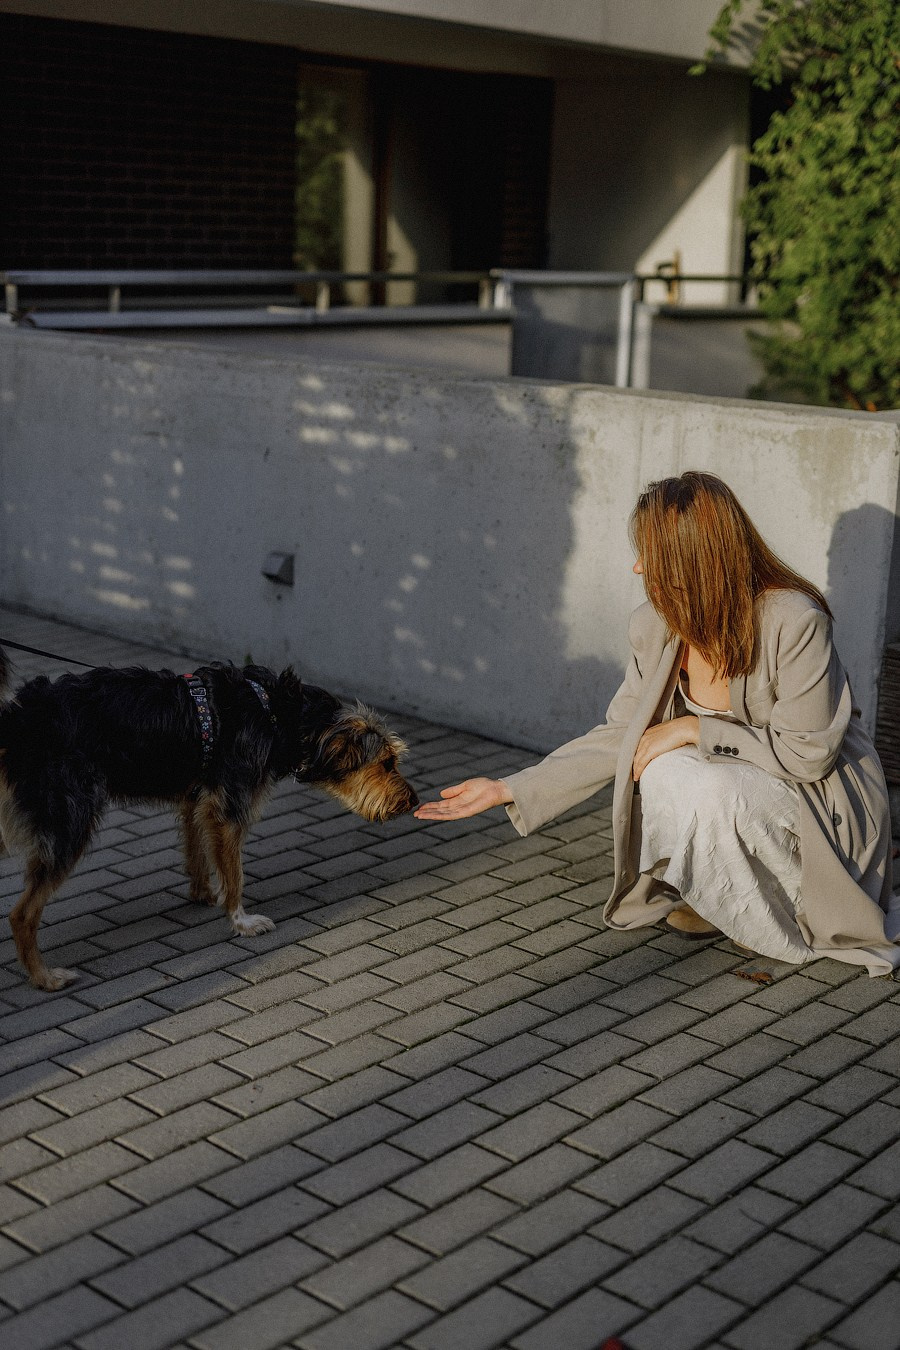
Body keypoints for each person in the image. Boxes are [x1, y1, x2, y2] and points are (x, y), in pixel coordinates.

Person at [414, 472, 900, 977]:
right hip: (745, 786)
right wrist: (509, 788)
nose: (637, 566)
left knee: (695, 774)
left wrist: (693, 730)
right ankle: (721, 897)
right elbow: (619, 735)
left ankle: (789, 909)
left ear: (697, 560)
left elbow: (808, 754)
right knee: (660, 765)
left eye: (651, 553)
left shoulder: (793, 620)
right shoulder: (656, 624)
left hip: (818, 797)